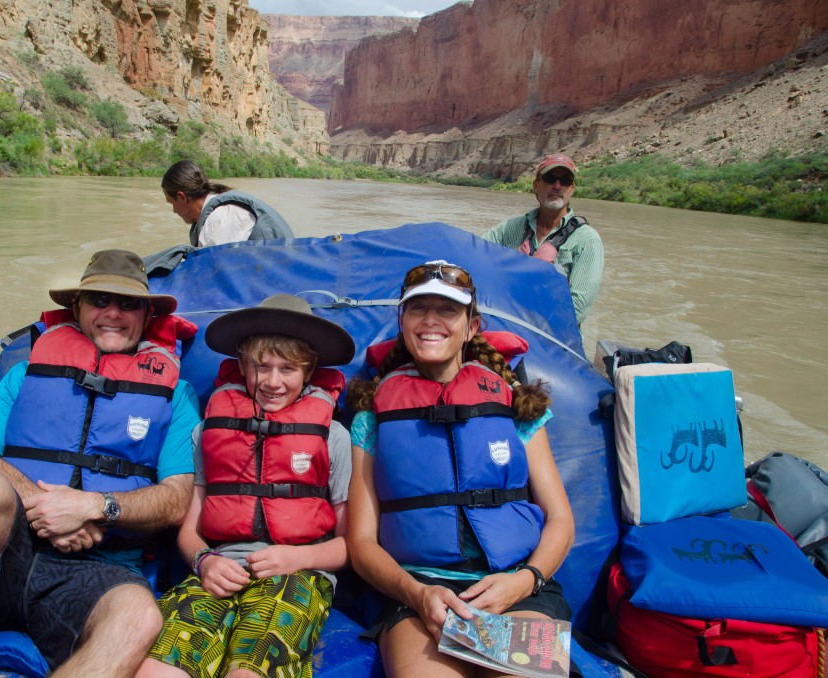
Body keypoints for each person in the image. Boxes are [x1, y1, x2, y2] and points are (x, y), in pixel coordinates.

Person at [0, 250, 201, 678]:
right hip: (7, 553)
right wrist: (47, 508)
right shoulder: (26, 375)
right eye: (99, 301)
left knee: (139, 618)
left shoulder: (176, 396)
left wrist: (94, 507)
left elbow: (176, 498)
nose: (113, 313)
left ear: (147, 315)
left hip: (98, 569)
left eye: (128, 304)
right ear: (76, 308)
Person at [346, 260, 575, 677]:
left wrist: (526, 580)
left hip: (516, 587)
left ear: (472, 326)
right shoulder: (371, 419)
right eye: (418, 309)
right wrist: (416, 594)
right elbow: (361, 543)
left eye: (448, 310)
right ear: (402, 320)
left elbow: (561, 519)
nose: (430, 321)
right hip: (415, 592)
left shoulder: (517, 408)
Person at [139, 294, 355, 678]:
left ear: (309, 371)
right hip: (218, 571)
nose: (273, 381)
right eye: (261, 367)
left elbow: (349, 545)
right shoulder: (208, 431)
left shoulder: (333, 436)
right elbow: (190, 530)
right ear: (241, 366)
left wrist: (297, 558)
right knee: (156, 671)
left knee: (246, 673)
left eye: (288, 369)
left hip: (298, 575)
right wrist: (205, 562)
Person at [484, 153, 604, 326]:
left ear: (572, 189)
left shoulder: (587, 240)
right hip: (505, 324)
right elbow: (476, 257)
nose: (557, 186)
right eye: (550, 178)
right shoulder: (510, 228)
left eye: (565, 181)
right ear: (536, 185)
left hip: (554, 338)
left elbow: (577, 309)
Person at [161, 159, 294, 247]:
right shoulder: (217, 206)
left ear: (182, 197)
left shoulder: (219, 219)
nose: (174, 211)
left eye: (172, 203)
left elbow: (217, 273)